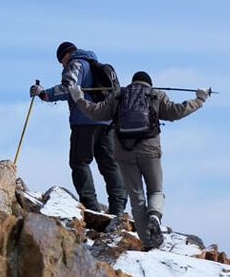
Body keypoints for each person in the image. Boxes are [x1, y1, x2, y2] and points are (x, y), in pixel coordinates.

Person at [68, 71, 209, 250]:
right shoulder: (156, 95)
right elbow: (176, 112)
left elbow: (96, 113)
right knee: (156, 191)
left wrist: (79, 98)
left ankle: (148, 243)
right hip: (150, 150)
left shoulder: (118, 95)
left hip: (123, 152)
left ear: (133, 82)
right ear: (149, 84)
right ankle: (155, 216)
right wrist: (199, 100)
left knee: (137, 198)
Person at [29, 42, 127, 216]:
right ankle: (118, 209)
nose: (62, 65)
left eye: (61, 61)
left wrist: (44, 94)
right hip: (106, 121)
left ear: (66, 55)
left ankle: (91, 207)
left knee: (79, 162)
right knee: (110, 165)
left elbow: (69, 88)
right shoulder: (98, 65)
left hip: (84, 121)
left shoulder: (76, 63)